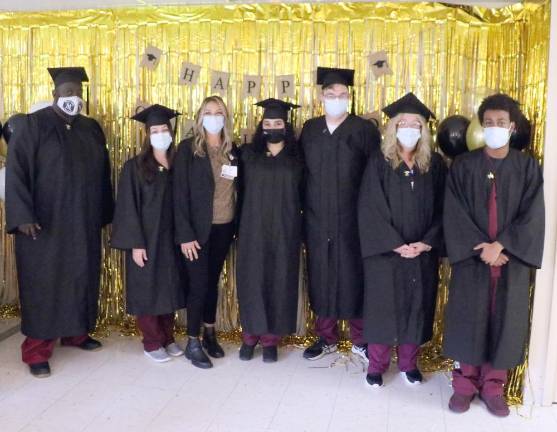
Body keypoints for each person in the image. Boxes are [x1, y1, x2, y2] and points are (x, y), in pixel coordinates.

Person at [5, 67, 114, 378]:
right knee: (45, 285)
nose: (73, 98)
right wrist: (22, 216)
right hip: (42, 226)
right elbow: (16, 171)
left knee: (81, 276)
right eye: (67, 93)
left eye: (77, 93)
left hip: (82, 222)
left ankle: (75, 333)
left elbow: (103, 175)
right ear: (54, 94)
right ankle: (37, 349)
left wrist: (105, 214)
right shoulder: (32, 125)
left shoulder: (90, 128)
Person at [443, 93, 544, 417]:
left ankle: (492, 387)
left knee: (504, 324)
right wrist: (483, 248)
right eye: (489, 123)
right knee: (469, 322)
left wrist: (502, 246)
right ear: (481, 126)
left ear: (512, 127)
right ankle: (464, 385)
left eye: (501, 123)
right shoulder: (463, 165)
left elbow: (532, 214)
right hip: (473, 260)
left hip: (509, 261)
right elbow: (454, 212)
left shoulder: (527, 167)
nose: (495, 128)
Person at [358, 93, 447, 387]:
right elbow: (370, 206)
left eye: (416, 124)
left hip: (421, 253)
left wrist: (427, 243)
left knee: (416, 307)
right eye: (403, 123)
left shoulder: (433, 165)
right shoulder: (379, 162)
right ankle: (377, 365)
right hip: (386, 253)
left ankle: (409, 363)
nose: (409, 128)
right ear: (393, 127)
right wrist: (394, 243)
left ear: (423, 130)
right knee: (383, 308)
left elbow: (444, 208)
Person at [300, 67, 381, 361]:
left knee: (354, 275)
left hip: (353, 219)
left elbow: (375, 176)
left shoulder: (364, 130)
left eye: (342, 95)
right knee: (321, 274)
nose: (337, 99)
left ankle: (360, 338)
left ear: (350, 97)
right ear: (321, 97)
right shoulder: (310, 129)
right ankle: (326, 336)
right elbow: (302, 174)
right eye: (331, 94)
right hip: (316, 219)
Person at [111, 104, 186, 363]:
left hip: (172, 239)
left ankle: (168, 337)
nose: (160, 133)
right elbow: (127, 207)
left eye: (164, 129)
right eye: (155, 130)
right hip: (147, 239)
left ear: (171, 131)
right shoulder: (135, 166)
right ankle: (152, 342)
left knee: (170, 290)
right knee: (148, 291)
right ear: (147, 134)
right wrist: (135, 244)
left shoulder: (179, 163)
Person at [236, 98, 304, 363]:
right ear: (260, 125)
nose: (273, 127)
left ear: (286, 125)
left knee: (279, 281)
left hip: (285, 229)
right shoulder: (247, 154)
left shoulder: (298, 157)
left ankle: (271, 340)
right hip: (252, 228)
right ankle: (250, 336)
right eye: (268, 123)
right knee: (252, 281)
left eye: (278, 123)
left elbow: (304, 194)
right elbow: (235, 191)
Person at [174, 95, 238, 369]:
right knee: (198, 284)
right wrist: (185, 235)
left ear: (226, 116)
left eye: (219, 112)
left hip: (224, 227)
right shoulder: (188, 149)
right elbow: (179, 195)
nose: (214, 116)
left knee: (212, 281)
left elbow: (236, 188)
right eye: (208, 112)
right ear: (200, 117)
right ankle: (192, 341)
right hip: (196, 232)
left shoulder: (232, 151)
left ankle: (210, 332)